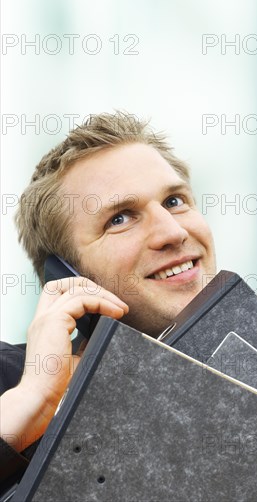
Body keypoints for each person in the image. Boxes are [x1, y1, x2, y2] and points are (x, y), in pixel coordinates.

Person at [0, 112, 217, 490]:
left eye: (175, 200)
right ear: (67, 274)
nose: (173, 231)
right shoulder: (10, 382)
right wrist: (30, 401)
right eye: (119, 219)